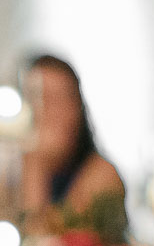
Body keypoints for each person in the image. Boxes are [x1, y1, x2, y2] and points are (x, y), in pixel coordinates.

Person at [23, 53, 126, 222]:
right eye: (40, 98)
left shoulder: (102, 175)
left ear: (78, 109)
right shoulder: (7, 176)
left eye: (60, 99)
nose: (51, 112)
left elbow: (46, 237)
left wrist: (36, 161)